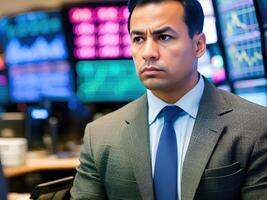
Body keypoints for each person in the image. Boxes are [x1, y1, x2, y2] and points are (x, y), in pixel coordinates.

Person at [70, 0, 267, 199]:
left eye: (164, 37)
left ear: (198, 45)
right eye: (138, 39)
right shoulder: (99, 135)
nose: (148, 53)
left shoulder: (255, 127)